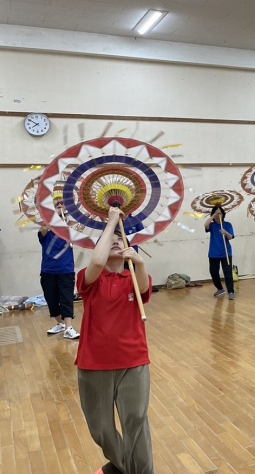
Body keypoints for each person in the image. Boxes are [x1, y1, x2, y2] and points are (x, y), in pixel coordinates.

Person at [75, 207, 154, 474]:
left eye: (122, 240)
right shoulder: (90, 279)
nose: (117, 243)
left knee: (137, 422)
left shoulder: (134, 276)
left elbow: (143, 288)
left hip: (134, 362)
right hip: (93, 363)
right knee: (100, 428)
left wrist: (140, 263)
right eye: (110, 241)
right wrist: (110, 223)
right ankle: (123, 467)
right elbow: (96, 263)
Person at [39, 195, 79, 339]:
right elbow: (44, 226)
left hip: (66, 271)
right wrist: (54, 213)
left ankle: (69, 327)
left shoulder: (69, 233)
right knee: (51, 299)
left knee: (66, 298)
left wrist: (67, 209)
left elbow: (77, 221)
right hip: (47, 271)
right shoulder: (45, 233)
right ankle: (60, 324)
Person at [204, 205, 235, 300]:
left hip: (226, 253)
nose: (218, 215)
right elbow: (206, 225)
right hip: (213, 253)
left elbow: (231, 237)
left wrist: (226, 233)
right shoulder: (212, 225)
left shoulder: (228, 225)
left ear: (223, 214)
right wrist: (213, 216)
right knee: (213, 272)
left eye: (219, 213)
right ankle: (220, 289)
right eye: (216, 213)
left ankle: (231, 291)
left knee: (228, 273)